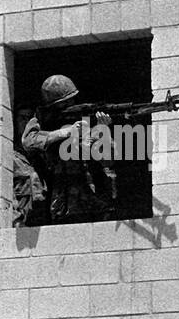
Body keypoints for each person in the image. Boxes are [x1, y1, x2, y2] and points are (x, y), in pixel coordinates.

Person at [21, 74, 116, 224]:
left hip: (94, 199)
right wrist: (65, 132)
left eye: (72, 100)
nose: (70, 105)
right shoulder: (46, 122)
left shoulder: (88, 123)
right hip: (64, 202)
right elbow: (28, 142)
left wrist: (103, 128)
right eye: (64, 103)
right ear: (53, 106)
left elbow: (109, 160)